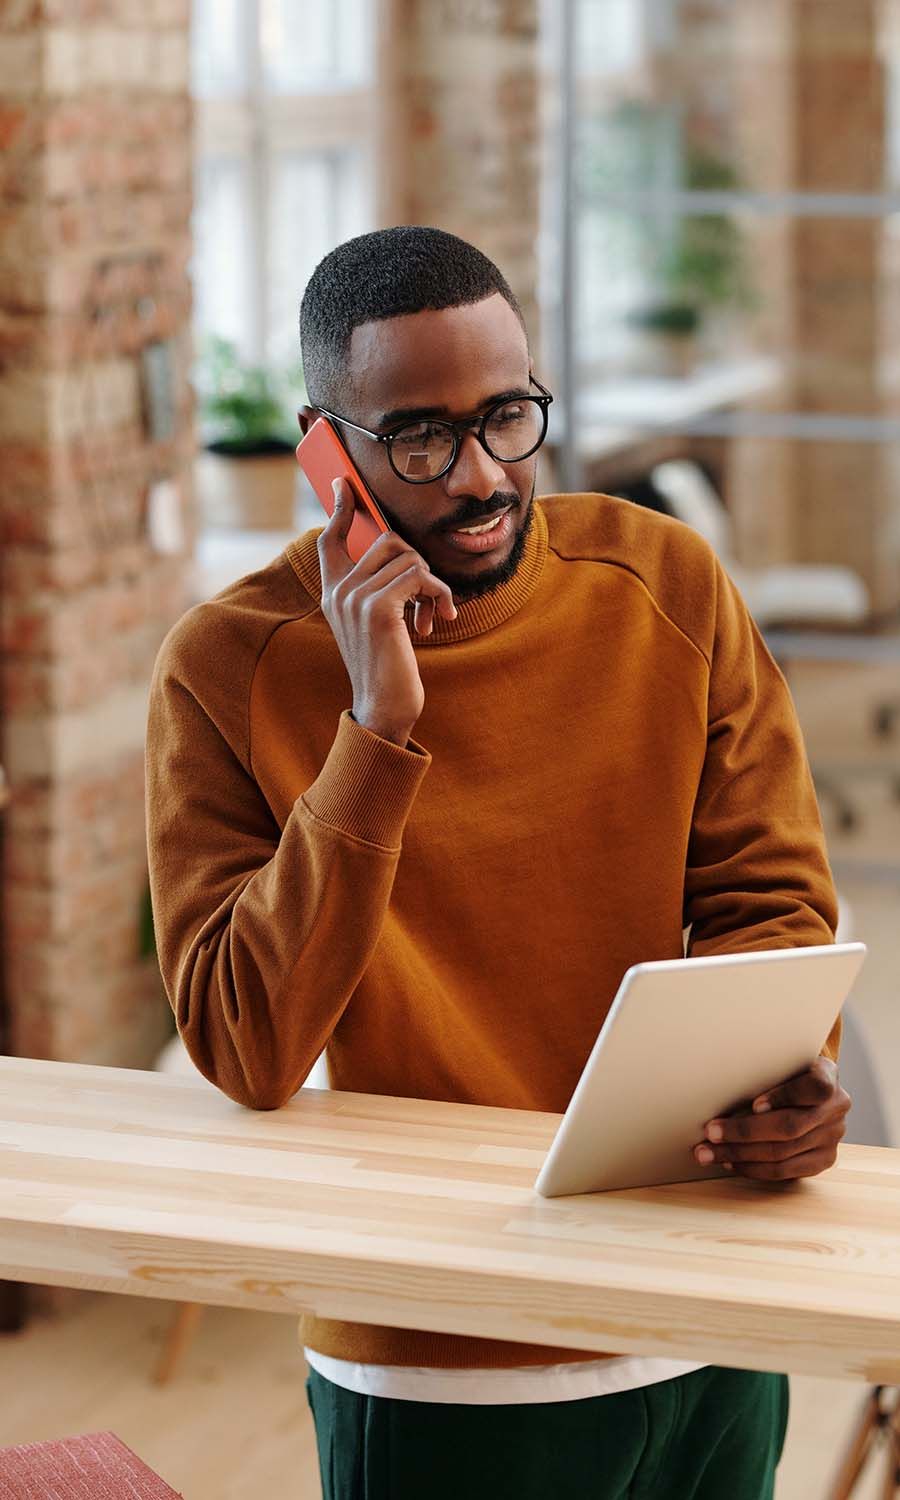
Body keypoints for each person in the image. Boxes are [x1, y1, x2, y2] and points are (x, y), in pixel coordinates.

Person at [145, 225, 851, 1500]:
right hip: (443, 1366)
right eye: (420, 438)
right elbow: (246, 1047)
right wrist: (376, 731)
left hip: (706, 1320)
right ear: (326, 453)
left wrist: (788, 1081)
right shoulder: (226, 667)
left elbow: (773, 905)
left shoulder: (666, 584)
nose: (482, 477)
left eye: (508, 417)